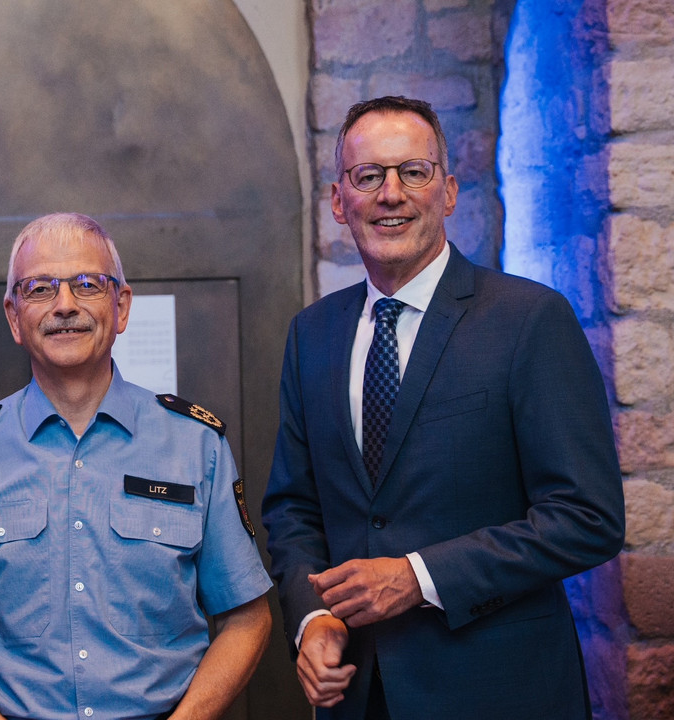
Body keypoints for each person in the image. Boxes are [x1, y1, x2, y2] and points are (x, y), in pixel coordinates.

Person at [260, 95, 625, 720]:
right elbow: (294, 509)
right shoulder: (311, 334)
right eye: (368, 176)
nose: (391, 193)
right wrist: (313, 616)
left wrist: (419, 576)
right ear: (338, 202)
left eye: (414, 172)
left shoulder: (530, 320)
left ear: (449, 191)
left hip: (502, 694)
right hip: (358, 698)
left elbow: (587, 517)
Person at [0, 212, 273, 720]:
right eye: (41, 289)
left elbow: (247, 617)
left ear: (121, 306)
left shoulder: (195, 445)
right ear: (13, 315)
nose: (65, 306)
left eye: (88, 284)